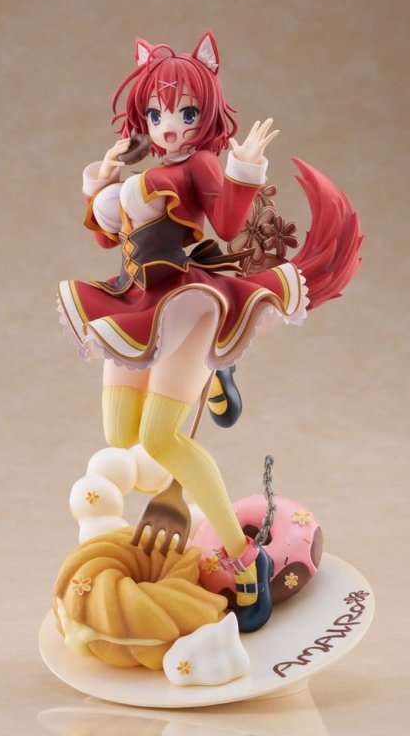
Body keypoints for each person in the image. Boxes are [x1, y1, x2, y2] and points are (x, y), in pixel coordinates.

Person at [57, 31, 362, 632]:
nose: (170, 126)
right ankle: (217, 373)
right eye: (157, 114)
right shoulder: (143, 171)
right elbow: (107, 236)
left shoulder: (199, 164)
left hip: (189, 305)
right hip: (137, 300)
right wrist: (102, 179)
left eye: (186, 113)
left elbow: (225, 224)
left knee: (162, 439)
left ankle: (246, 559)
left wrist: (243, 167)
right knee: (120, 434)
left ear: (207, 113)